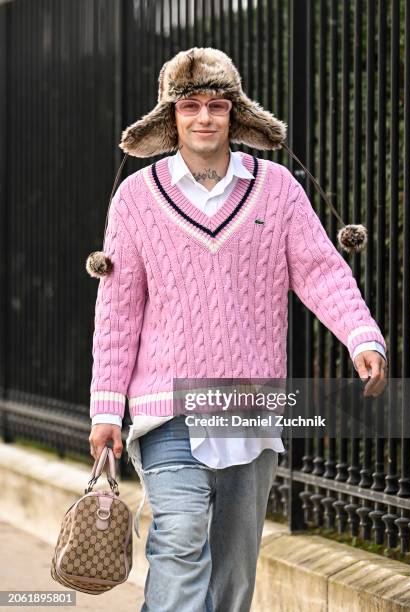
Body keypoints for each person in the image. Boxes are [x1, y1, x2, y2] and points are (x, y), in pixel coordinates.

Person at [88, 47, 388, 612]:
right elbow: (118, 309)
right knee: (178, 543)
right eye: (191, 106)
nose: (204, 118)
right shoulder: (135, 199)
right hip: (166, 409)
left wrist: (362, 336)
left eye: (217, 105)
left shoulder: (276, 189)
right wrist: (106, 410)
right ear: (170, 117)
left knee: (232, 574)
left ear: (235, 114)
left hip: (249, 407)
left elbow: (322, 270)